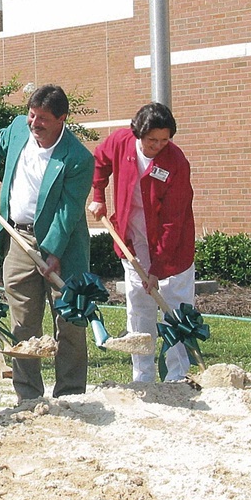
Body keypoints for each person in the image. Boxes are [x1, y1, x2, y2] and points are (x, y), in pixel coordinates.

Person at [0, 84, 94, 402]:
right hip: (17, 237)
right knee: (23, 321)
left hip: (63, 245)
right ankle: (27, 394)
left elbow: (68, 212)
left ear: (62, 119)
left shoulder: (78, 158)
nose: (34, 122)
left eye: (42, 118)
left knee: (68, 320)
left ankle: (70, 392)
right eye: (31, 114)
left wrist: (52, 252)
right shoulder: (17, 128)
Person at [88, 102, 196, 382]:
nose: (158, 146)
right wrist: (98, 195)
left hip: (172, 251)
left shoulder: (176, 162)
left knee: (174, 310)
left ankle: (177, 376)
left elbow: (173, 221)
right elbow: (101, 160)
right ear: (138, 134)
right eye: (152, 141)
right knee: (139, 309)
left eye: (164, 140)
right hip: (133, 243)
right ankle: (142, 376)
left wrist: (157, 269)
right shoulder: (121, 142)